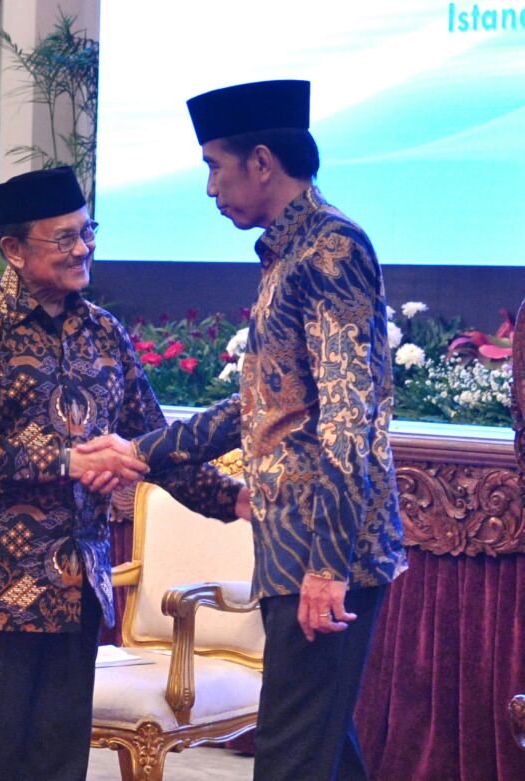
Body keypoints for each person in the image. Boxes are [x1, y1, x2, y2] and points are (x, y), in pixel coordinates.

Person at [81, 80, 407, 780]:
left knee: (291, 756)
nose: (208, 188)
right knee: (318, 746)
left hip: (326, 547)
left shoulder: (331, 252)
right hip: (294, 545)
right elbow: (261, 407)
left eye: (213, 165)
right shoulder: (288, 255)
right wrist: (137, 450)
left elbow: (351, 419)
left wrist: (327, 564)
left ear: (261, 162)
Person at [0, 166, 248, 780]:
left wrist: (235, 502)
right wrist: (70, 460)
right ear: (16, 250)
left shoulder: (103, 332)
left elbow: (153, 445)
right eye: (65, 238)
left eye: (88, 232)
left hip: (78, 587)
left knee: (57, 765)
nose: (83, 249)